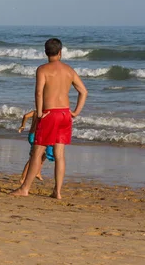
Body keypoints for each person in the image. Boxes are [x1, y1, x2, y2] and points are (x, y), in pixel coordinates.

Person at [11, 38, 87, 199]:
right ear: (60, 52)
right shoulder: (69, 70)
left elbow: (39, 92)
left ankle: (25, 188)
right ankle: (57, 191)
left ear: (46, 52)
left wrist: (39, 113)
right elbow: (84, 92)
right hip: (65, 114)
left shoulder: (43, 69)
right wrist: (75, 111)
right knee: (60, 154)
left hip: (50, 113)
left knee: (38, 152)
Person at [17, 110, 55, 184]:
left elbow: (25, 116)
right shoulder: (44, 113)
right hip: (36, 136)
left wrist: (23, 125)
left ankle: (38, 172)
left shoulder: (35, 111)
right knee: (33, 158)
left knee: (43, 155)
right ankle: (22, 178)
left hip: (33, 135)